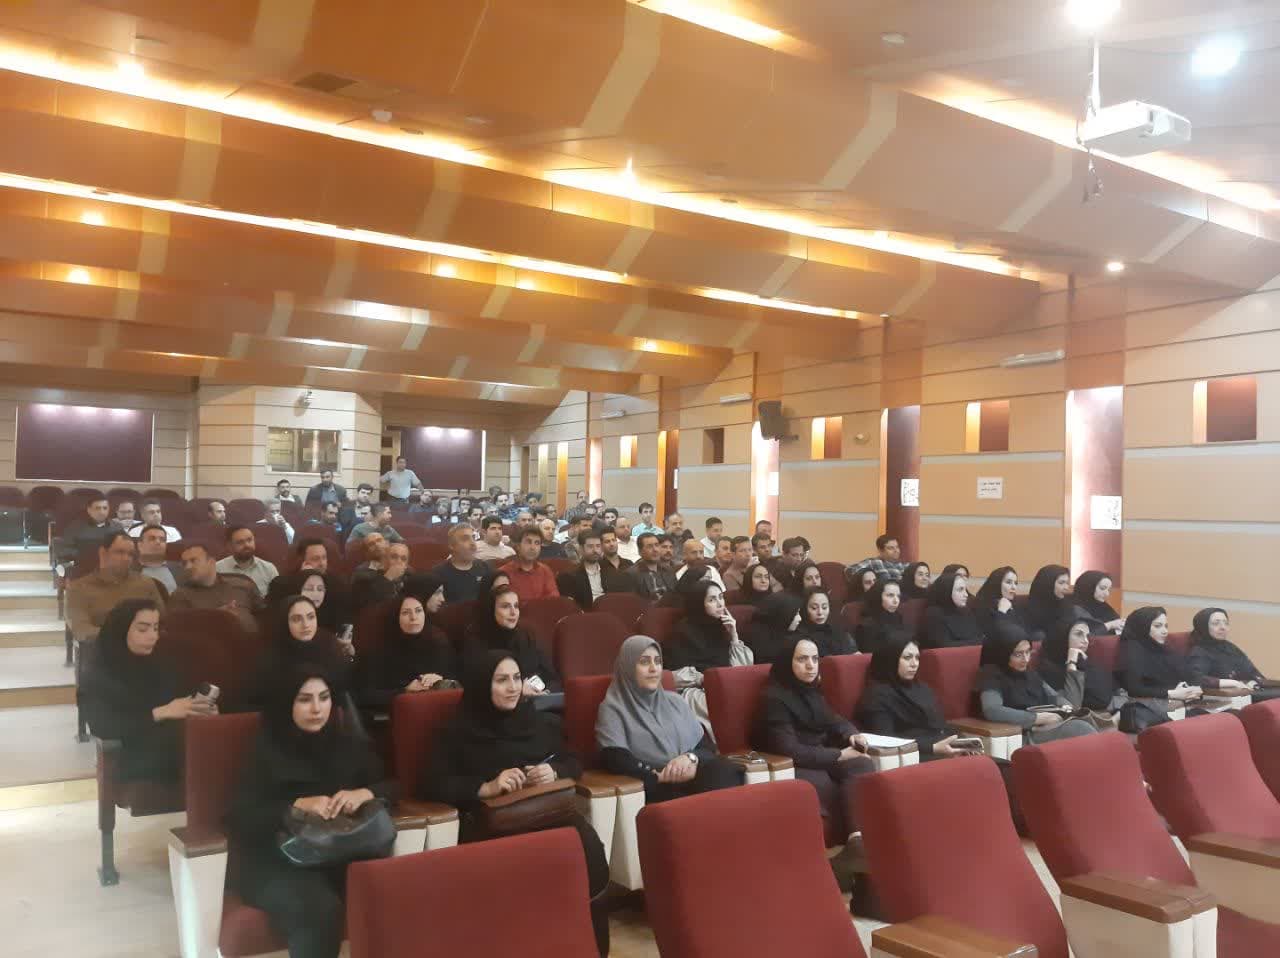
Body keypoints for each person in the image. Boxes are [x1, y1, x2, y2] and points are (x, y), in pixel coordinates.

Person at [421, 652, 610, 955]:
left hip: (546, 813)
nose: (512, 687)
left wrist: (554, 771)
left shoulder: (535, 721)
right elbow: (432, 783)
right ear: (483, 684)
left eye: (517, 678)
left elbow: (573, 760)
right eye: (501, 680)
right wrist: (487, 787)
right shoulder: (458, 731)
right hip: (492, 823)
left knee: (589, 846)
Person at [228, 667, 393, 958]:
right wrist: (296, 806)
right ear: (287, 703)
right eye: (305, 699)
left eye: (324, 697)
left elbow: (394, 786)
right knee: (318, 910)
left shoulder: (348, 744)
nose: (317, 708)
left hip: (338, 851)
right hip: (275, 860)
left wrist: (364, 793)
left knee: (391, 890)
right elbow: (242, 817)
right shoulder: (265, 750)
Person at [81, 599, 215, 783]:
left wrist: (199, 709)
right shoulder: (98, 672)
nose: (153, 636)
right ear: (121, 631)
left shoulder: (160, 661)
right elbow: (103, 726)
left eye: (156, 628)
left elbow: (180, 697)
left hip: (173, 744)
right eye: (143, 630)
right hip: (134, 754)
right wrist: (160, 712)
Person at [596, 635, 744, 803]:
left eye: (658, 661)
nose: (654, 668)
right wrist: (659, 776)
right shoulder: (613, 707)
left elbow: (706, 747)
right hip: (652, 783)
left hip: (691, 775)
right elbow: (614, 758)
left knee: (725, 770)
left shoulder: (675, 701)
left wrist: (690, 758)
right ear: (628, 667)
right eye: (644, 662)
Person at [758, 637, 876, 840]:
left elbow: (834, 720)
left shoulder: (811, 690)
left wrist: (852, 734)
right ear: (787, 661)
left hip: (822, 754)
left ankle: (858, 838)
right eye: (802, 659)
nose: (811, 666)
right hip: (793, 762)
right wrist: (839, 755)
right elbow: (788, 749)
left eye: (815, 659)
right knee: (823, 783)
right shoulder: (773, 698)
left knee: (861, 764)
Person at [858, 637, 976, 761]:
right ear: (890, 659)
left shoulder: (922, 688)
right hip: (915, 757)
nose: (914, 664)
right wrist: (932, 748)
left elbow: (941, 726)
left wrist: (963, 742)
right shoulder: (876, 696)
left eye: (917, 658)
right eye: (907, 657)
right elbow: (887, 740)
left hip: (944, 750)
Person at [976, 631, 1096, 744]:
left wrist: (1065, 707)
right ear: (1003, 654)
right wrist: (1037, 718)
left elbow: (1054, 697)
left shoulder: (1029, 673)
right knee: (1080, 729)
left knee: (1087, 722)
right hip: (1021, 734)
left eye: (1028, 652)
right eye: (1018, 654)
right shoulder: (991, 676)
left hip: (1046, 726)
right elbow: (992, 710)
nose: (1026, 659)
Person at [665, 579, 753, 729]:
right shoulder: (683, 632)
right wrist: (707, 679)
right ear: (699, 604)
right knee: (728, 703)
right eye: (712, 600)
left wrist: (734, 635)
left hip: (725, 684)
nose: (720, 604)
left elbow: (741, 670)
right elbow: (674, 676)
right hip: (695, 691)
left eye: (721, 597)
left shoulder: (721, 627)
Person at [246, 597, 353, 710]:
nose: (306, 624)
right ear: (285, 622)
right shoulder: (271, 657)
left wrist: (349, 656)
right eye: (297, 619)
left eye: (311, 617)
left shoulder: (329, 644)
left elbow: (344, 689)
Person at [357, 589, 456, 708]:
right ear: (395, 617)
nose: (413, 617)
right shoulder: (378, 648)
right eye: (405, 613)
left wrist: (441, 680)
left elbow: (455, 681)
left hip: (435, 709)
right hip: (393, 713)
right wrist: (405, 691)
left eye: (418, 611)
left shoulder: (438, 642)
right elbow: (365, 696)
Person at [67, 532, 166, 643]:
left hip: (145, 647)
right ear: (103, 553)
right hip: (101, 648)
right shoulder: (79, 588)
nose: (126, 558)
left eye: (130, 554)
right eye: (120, 552)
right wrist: (124, 636)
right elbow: (81, 630)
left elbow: (163, 621)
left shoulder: (145, 583)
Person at [460, 586, 561, 695]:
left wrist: (546, 693)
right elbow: (476, 685)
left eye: (516, 606)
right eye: (505, 606)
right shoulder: (476, 638)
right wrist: (519, 692)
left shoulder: (527, 634)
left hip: (539, 698)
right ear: (491, 610)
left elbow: (554, 678)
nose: (513, 612)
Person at [1187, 607, 1279, 701]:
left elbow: (1251, 670)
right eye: (1216, 623)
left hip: (1249, 690)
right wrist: (1231, 683)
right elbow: (1197, 679)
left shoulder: (1230, 647)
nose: (1223, 627)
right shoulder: (1199, 651)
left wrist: (1255, 681)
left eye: (1226, 623)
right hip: (1227, 698)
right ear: (1203, 626)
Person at [1117, 607, 1203, 705]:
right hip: (1145, 705)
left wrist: (1193, 687)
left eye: (1166, 626)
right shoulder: (1132, 649)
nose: (1165, 631)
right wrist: (1172, 693)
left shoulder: (1161, 647)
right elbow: (1134, 689)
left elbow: (1187, 673)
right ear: (1142, 626)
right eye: (1158, 626)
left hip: (1173, 702)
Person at [170, 541, 262, 633]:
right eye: (184, 563)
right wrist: (215, 617)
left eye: (193, 561)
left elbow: (264, 613)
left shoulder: (242, 582)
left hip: (255, 639)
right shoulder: (180, 595)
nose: (188, 567)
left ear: (211, 562)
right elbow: (179, 630)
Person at [1040, 618, 1123, 717]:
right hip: (1085, 719)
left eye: (1087, 636)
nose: (1085, 641)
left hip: (1112, 712)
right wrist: (1071, 664)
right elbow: (1072, 709)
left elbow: (1115, 692)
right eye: (1078, 634)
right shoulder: (1049, 670)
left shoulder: (1085, 660)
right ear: (1062, 637)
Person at [557, 529, 632, 608]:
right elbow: (570, 606)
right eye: (590, 546)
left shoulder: (611, 570)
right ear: (581, 549)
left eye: (598, 546)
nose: (595, 550)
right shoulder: (569, 576)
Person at [918, 572, 984, 648]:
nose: (966, 594)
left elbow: (979, 637)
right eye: (960, 590)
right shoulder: (933, 614)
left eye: (965, 590)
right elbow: (945, 646)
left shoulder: (966, 611)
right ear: (947, 591)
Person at [973, 567, 1036, 646]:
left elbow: (1024, 632)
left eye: (1015, 583)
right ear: (997, 584)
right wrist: (1001, 612)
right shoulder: (983, 606)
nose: (1013, 587)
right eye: (1009, 582)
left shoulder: (1015, 605)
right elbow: (994, 636)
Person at [432, 524, 492, 604]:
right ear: (451, 545)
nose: (473, 543)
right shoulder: (437, 574)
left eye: (474, 538)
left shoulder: (485, 567)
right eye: (465, 539)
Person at [500, 528, 561, 603]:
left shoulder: (545, 571)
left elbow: (554, 600)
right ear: (518, 546)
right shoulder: (504, 573)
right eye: (528, 542)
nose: (533, 547)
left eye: (537, 543)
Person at [215, 525, 279, 597]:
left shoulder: (269, 568)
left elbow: (279, 599)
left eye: (249, 540)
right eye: (240, 542)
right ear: (229, 546)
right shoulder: (217, 569)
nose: (247, 545)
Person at [351, 541, 412, 613]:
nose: (399, 561)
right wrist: (388, 577)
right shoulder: (365, 577)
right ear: (384, 560)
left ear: (406, 564)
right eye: (394, 557)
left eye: (403, 559)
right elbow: (369, 605)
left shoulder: (410, 577)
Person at [55, 495, 118, 564]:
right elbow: (64, 550)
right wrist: (85, 555)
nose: (101, 512)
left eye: (105, 508)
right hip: (82, 564)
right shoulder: (75, 528)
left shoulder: (117, 527)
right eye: (97, 508)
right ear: (89, 510)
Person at [796, 586, 857, 657]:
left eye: (824, 607)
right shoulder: (799, 636)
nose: (820, 612)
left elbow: (855, 656)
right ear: (804, 609)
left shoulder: (838, 632)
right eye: (814, 608)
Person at [854, 580, 910, 656]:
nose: (896, 601)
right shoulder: (867, 626)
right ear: (878, 596)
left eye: (898, 596)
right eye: (890, 595)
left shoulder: (898, 617)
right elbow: (871, 657)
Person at [1071, 571, 1126, 635]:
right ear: (1089, 586)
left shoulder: (1103, 606)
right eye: (1102, 588)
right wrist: (1110, 625)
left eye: (1108, 590)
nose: (1107, 594)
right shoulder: (1073, 608)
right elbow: (1085, 635)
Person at [1024, 564, 1073, 635]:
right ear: (1048, 583)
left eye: (1067, 583)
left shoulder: (1066, 606)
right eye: (1061, 583)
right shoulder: (1027, 610)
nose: (1066, 588)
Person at [135, 523, 183, 594]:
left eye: (162, 540)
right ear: (140, 545)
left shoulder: (180, 570)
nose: (158, 542)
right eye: (152, 539)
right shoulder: (128, 569)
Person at [628, 532, 677, 601]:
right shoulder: (632, 574)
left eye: (657, 545)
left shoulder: (669, 570)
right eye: (649, 546)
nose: (655, 550)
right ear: (640, 552)